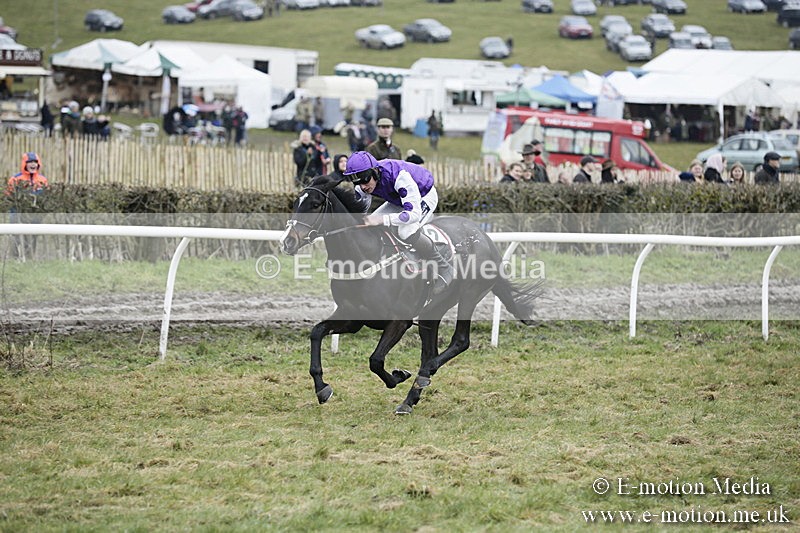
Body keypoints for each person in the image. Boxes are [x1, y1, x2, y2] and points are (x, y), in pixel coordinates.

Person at [342, 151, 453, 295]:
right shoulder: (363, 184)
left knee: (405, 231)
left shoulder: (400, 178)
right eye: (356, 181)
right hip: (398, 200)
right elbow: (361, 211)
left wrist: (383, 219)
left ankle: (444, 266)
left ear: (375, 171)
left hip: (424, 196)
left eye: (364, 179)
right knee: (368, 225)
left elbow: (413, 214)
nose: (362, 186)